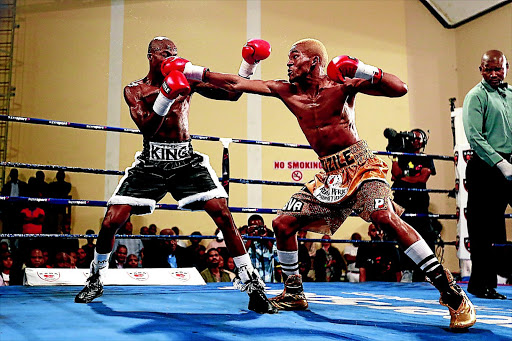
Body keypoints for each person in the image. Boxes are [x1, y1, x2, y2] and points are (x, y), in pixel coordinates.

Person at [194, 38, 475, 328]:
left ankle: (452, 293)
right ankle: (293, 292)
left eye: (294, 57)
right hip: (330, 175)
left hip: (363, 166)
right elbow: (235, 84)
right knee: (282, 224)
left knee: (383, 217)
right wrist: (192, 73)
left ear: (314, 61)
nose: (288, 63)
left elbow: (399, 88)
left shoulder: (341, 84)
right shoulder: (285, 90)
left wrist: (364, 69)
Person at [74, 36, 276, 314]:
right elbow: (147, 126)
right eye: (165, 52)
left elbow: (232, 94)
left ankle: (252, 285)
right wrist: (166, 94)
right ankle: (96, 278)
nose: (170, 57)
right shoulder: (135, 89)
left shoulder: (187, 80)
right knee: (111, 221)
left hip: (185, 159)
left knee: (222, 213)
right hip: (151, 162)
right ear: (150, 56)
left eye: (174, 53)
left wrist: (248, 64)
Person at [462, 49, 511, 300]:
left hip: (511, 163)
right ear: (480, 69)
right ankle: (481, 284)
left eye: (498, 69)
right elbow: (475, 137)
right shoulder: (475, 96)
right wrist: (502, 164)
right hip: (485, 167)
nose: (493, 73)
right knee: (483, 229)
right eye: (488, 69)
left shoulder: (511, 95)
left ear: (506, 68)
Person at [390, 129, 437, 282]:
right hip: (402, 201)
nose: (415, 140)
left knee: (426, 235)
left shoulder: (426, 158)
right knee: (403, 235)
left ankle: (428, 271)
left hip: (419, 202)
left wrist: (403, 178)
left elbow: (422, 179)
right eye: (412, 137)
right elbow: (395, 173)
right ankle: (406, 270)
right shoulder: (401, 156)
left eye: (418, 138)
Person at [245, 214, 276, 282]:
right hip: (249, 281)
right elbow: (242, 255)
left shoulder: (271, 238)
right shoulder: (244, 239)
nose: (257, 230)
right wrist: (250, 237)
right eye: (254, 228)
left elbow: (276, 256)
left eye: (259, 227)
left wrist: (266, 238)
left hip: (267, 280)